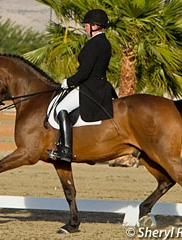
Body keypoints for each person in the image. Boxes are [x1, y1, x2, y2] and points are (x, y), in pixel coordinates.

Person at [47, 9, 117, 162]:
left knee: (61, 108)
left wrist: (68, 82)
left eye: (87, 25)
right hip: (102, 86)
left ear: (94, 26)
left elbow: (84, 72)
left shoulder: (94, 44)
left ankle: (65, 149)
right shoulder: (105, 42)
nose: (85, 28)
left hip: (89, 88)